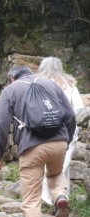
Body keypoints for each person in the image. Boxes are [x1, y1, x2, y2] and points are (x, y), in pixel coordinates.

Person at [0, 65, 76, 217]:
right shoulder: (50, 84)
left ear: (12, 78)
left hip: (32, 147)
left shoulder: (10, 90)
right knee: (55, 174)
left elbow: (0, 124)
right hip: (59, 142)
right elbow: (69, 114)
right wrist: (66, 141)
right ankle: (60, 197)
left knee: (31, 200)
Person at [37, 57, 84, 205]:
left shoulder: (37, 83)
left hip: (43, 126)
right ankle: (62, 195)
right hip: (67, 128)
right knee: (65, 162)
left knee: (45, 161)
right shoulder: (69, 84)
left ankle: (49, 197)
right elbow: (78, 108)